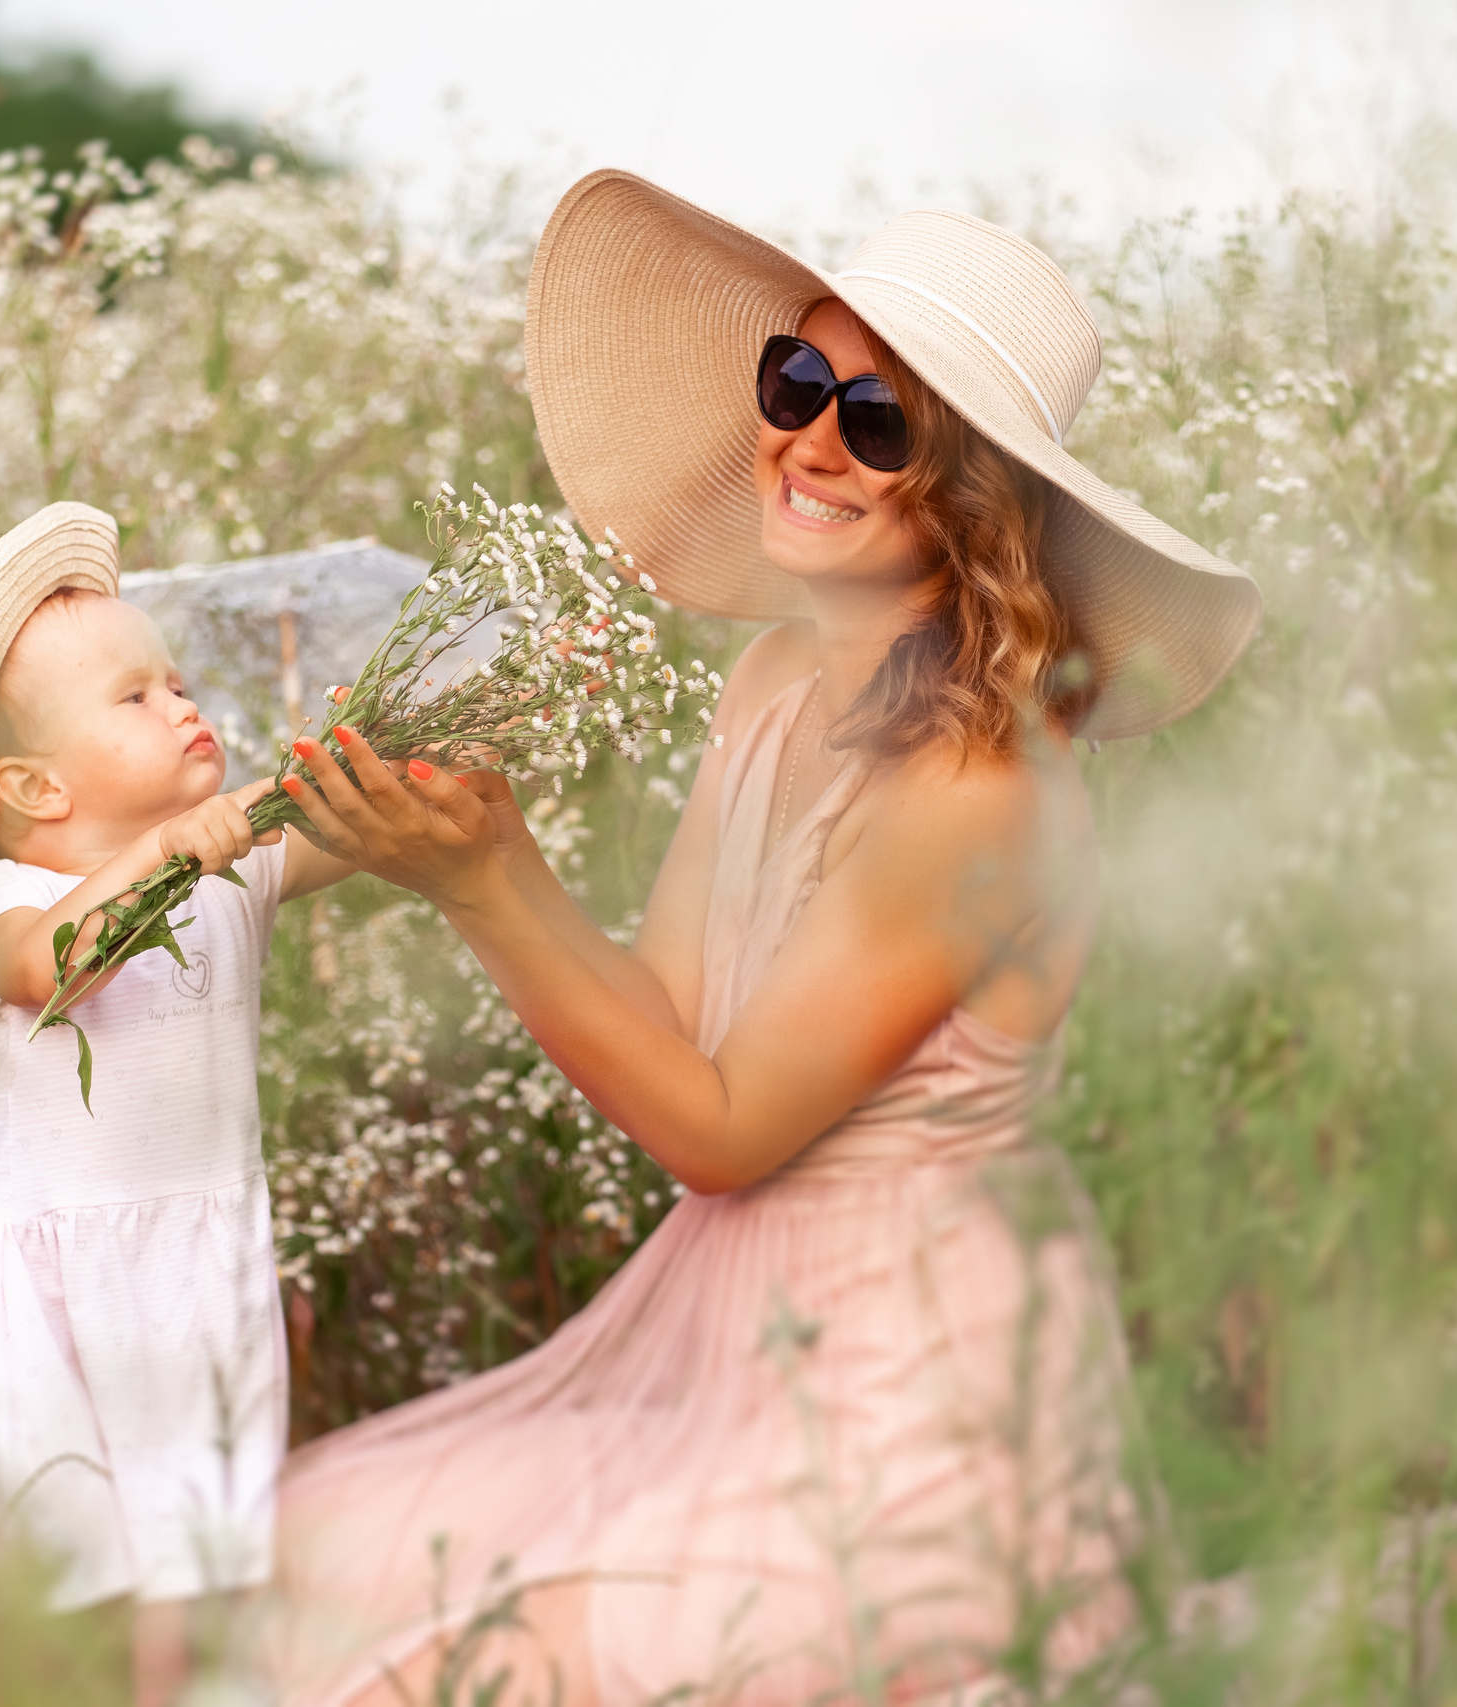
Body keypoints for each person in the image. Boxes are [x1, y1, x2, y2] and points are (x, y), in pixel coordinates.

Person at [263, 170, 1263, 1703]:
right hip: (747, 1347)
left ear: (973, 497)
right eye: (797, 376)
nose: (807, 437)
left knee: (489, 1659)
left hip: (918, 1411)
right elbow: (666, 1003)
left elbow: (719, 1128)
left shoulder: (975, 792)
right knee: (309, 1545)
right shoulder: (779, 681)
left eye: (878, 421)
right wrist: (454, 842)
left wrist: (485, 877)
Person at [0, 503, 354, 1706]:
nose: (182, 704)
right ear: (33, 785)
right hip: (40, 1314)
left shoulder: (229, 862)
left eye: (179, 680)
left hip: (192, 1287)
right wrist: (176, 852)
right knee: (38, 1629)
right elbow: (57, 965)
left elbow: (361, 827)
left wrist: (445, 730)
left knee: (193, 1603)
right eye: (136, 697)